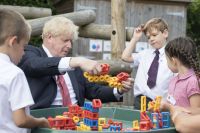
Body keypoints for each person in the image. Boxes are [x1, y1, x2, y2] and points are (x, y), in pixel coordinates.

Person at [18, 16, 134, 109]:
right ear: (49, 37)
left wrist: (119, 90)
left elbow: (94, 91)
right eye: (65, 40)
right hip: (46, 120)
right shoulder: (31, 52)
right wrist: (77, 61)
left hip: (76, 118)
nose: (69, 46)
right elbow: (35, 65)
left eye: (71, 41)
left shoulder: (72, 63)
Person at [0, 9, 50, 133]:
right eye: (23, 47)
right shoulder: (14, 73)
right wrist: (41, 121)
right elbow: (21, 120)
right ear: (13, 42)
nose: (23, 53)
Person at [121, 18, 174, 110]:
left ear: (165, 33)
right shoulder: (144, 54)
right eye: (148, 37)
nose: (151, 39)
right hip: (140, 101)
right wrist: (135, 38)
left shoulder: (172, 56)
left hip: (161, 103)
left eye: (154, 35)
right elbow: (125, 57)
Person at [164, 37, 200, 108]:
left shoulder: (193, 81)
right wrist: (164, 106)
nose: (166, 63)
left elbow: (196, 114)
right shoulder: (173, 81)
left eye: (167, 60)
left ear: (174, 61)